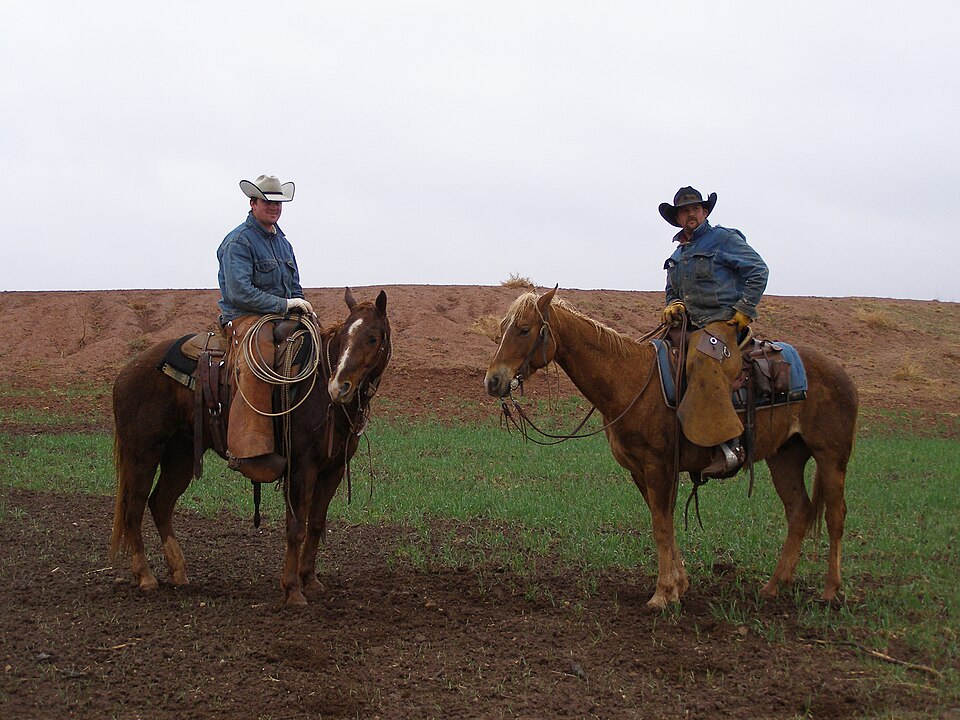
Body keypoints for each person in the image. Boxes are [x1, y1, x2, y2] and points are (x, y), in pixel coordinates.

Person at [658, 186, 768, 477]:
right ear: (678, 218)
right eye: (683, 211)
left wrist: (745, 309)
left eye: (695, 208)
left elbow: (759, 269)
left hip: (723, 326)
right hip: (688, 328)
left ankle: (729, 446)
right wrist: (673, 304)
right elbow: (672, 291)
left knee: (705, 359)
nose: (689, 214)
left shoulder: (725, 239)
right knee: (651, 359)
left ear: (704, 212)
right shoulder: (677, 255)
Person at [217, 174, 316, 483]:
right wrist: (284, 306)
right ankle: (251, 447)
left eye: (278, 203)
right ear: (253, 203)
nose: (274, 207)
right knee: (261, 354)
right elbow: (239, 292)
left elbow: (294, 285)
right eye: (267, 202)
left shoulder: (283, 244)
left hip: (280, 316)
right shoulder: (238, 242)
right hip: (244, 317)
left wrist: (299, 303)